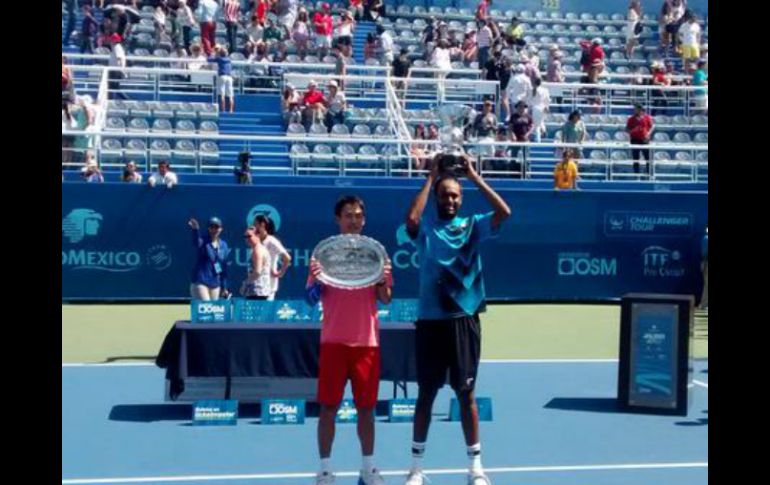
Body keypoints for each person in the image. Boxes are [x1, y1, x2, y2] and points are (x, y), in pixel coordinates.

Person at [403, 153, 511, 485]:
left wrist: (475, 178)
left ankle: (475, 468)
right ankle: (417, 469)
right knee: (426, 395)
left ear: (461, 199)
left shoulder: (472, 226)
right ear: (436, 196)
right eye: (444, 194)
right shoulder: (426, 229)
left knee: (466, 396)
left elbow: (504, 212)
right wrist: (430, 177)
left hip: (463, 320)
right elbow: (411, 219)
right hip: (431, 321)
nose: (449, 200)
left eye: (454, 195)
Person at [306, 195, 393, 485]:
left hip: (367, 343)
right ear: (338, 220)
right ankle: (325, 469)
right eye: (348, 215)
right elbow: (309, 299)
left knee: (366, 409)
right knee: (328, 408)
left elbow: (386, 299)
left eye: (358, 215)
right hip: (333, 342)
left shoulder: (376, 256)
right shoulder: (323, 257)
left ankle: (368, 468)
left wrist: (381, 279)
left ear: (364, 219)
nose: (353, 220)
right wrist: (317, 281)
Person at [188, 216, 231, 301]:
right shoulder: (203, 241)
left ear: (221, 229)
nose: (214, 230)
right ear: (208, 228)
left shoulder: (223, 245)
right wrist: (195, 230)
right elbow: (196, 242)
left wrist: (224, 287)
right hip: (201, 282)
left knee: (213, 312)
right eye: (212, 227)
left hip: (215, 284)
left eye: (217, 227)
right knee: (206, 308)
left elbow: (224, 267)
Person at [253, 214, 292, 301]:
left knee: (266, 313)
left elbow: (287, 258)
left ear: (262, 225)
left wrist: (280, 273)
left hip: (269, 286)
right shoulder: (256, 241)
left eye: (255, 224)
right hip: (257, 285)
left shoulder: (272, 241)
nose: (253, 227)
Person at [241, 226, 272, 300]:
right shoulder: (261, 248)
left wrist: (245, 284)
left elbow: (257, 272)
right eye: (245, 236)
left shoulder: (257, 250)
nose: (247, 239)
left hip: (257, 292)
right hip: (262, 291)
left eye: (249, 236)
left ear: (257, 235)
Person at [625, 104, 654, 176]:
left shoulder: (647, 118)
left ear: (640, 109)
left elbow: (652, 126)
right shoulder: (631, 119)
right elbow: (626, 128)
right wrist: (631, 132)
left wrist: (648, 133)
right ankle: (636, 174)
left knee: (647, 157)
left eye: (636, 109)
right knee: (636, 158)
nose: (635, 110)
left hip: (644, 139)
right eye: (634, 109)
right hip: (635, 139)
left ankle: (649, 173)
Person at [208, 46, 235, 112]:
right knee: (230, 95)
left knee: (222, 95)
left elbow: (209, 59)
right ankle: (231, 110)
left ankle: (223, 110)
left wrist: (214, 53)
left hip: (222, 77)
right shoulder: (229, 59)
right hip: (229, 77)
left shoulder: (219, 59)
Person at [508, 100, 533, 165]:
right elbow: (510, 127)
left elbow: (532, 127)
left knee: (526, 158)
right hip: (516, 140)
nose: (521, 108)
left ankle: (527, 173)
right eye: (520, 107)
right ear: (517, 108)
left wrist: (527, 134)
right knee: (514, 157)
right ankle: (513, 173)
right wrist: (512, 135)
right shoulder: (513, 116)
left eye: (523, 107)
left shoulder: (528, 116)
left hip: (525, 140)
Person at [526, 78, 550, 143]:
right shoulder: (545, 90)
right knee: (540, 122)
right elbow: (547, 100)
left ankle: (538, 140)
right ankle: (544, 131)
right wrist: (547, 107)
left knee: (536, 126)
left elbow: (528, 101)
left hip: (535, 109)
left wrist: (528, 109)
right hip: (543, 108)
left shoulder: (531, 90)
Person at [698, 226, 708, 311]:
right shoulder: (705, 238)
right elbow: (704, 253)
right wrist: (704, 264)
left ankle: (704, 304)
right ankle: (704, 304)